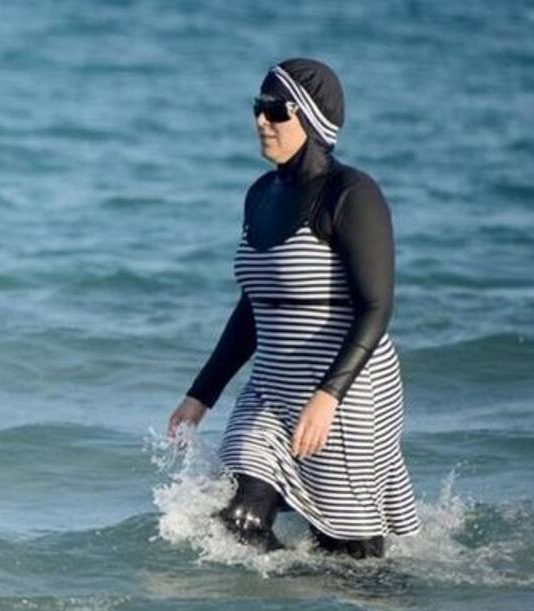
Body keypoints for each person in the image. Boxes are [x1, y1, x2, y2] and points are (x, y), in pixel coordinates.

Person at [168, 59, 420, 558]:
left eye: (275, 110)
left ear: (310, 117)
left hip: (347, 391)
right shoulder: (259, 195)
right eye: (257, 108)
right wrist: (202, 395)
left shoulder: (353, 195)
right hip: (271, 388)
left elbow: (376, 306)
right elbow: (252, 309)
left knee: (352, 561)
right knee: (235, 518)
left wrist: (329, 396)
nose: (261, 120)